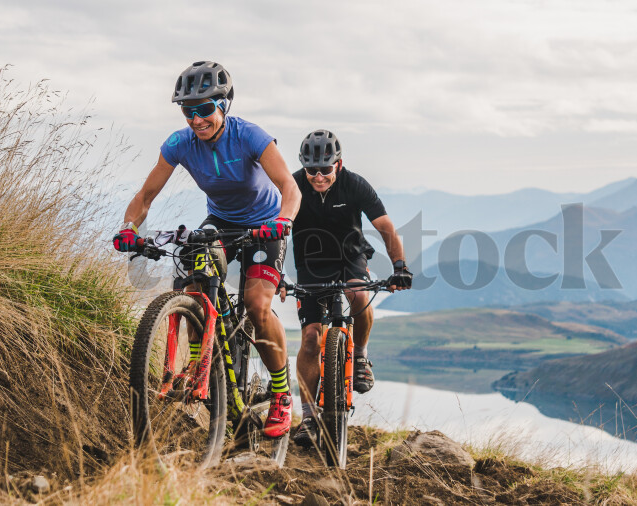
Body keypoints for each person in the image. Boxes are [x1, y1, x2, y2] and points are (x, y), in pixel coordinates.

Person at [112, 61, 301, 438]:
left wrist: (285, 220)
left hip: (266, 224)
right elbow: (146, 195)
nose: (196, 120)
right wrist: (129, 228)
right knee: (194, 285)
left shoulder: (250, 136)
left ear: (223, 106)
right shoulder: (179, 144)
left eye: (204, 110)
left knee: (257, 305)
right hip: (221, 221)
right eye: (188, 111)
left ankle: (281, 393)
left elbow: (289, 187)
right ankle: (201, 364)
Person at [282, 129, 413, 447]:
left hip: (350, 258)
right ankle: (309, 417)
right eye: (311, 169)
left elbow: (385, 227)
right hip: (310, 266)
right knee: (311, 339)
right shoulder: (293, 185)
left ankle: (362, 355)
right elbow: (278, 228)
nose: (318, 176)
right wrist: (274, 272)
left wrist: (399, 267)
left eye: (324, 169)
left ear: (337, 164)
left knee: (359, 296)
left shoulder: (354, 184)